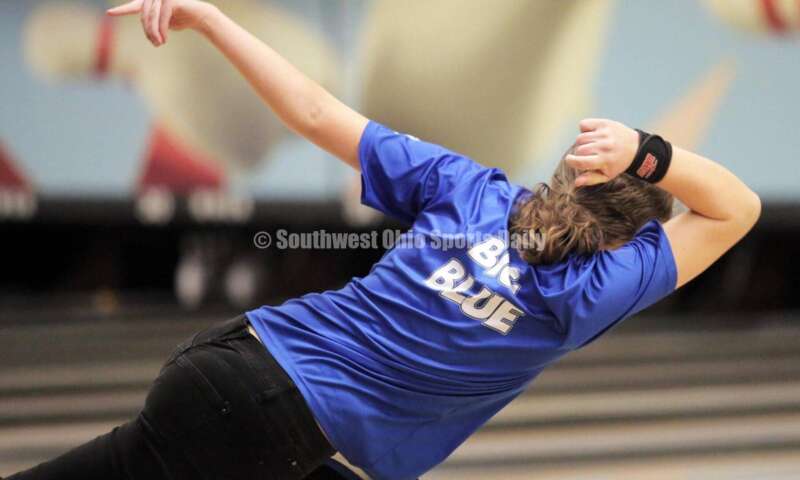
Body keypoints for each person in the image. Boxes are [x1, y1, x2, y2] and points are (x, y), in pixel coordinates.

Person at [7, 1, 762, 479]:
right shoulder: (592, 293)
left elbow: (311, 111)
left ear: (566, 172)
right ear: (638, 235)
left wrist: (211, 17)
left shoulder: (473, 189)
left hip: (234, 366)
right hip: (267, 415)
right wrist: (651, 155)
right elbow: (735, 209)